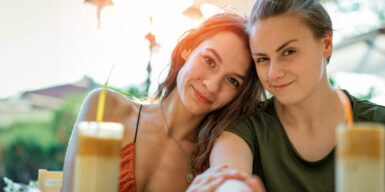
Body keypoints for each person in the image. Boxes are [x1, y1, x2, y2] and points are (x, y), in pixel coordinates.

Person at [189, 0, 385, 191]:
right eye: (263, 59)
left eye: (288, 52)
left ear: (326, 43)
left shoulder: (378, 122)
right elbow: (229, 179)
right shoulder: (246, 128)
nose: (273, 74)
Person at [61, 13, 267, 192]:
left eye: (232, 81)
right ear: (187, 49)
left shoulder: (212, 159)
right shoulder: (106, 107)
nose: (212, 86)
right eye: (209, 61)